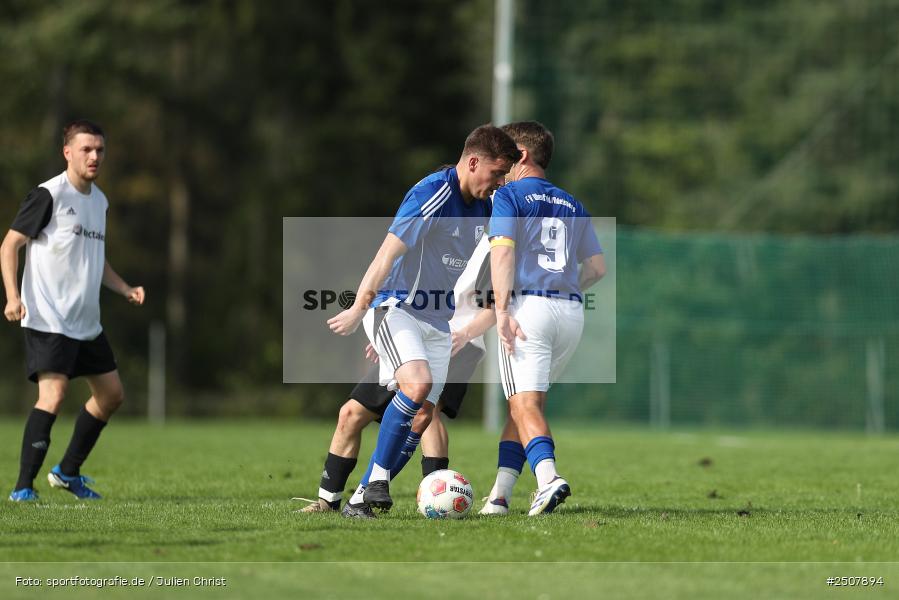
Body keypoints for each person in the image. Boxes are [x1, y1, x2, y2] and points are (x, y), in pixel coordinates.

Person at [328, 125, 519, 514]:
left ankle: (362, 498)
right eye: (497, 173)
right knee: (417, 385)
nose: (500, 182)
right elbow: (386, 255)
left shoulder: (487, 207)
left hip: (437, 322)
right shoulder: (433, 193)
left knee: (422, 418)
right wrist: (360, 309)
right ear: (473, 162)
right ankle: (376, 481)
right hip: (396, 308)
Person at [2, 120, 145, 502]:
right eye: (86, 149)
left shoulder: (100, 201)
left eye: (100, 149)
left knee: (112, 395)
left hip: (86, 322)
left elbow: (97, 261)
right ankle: (22, 489)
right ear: (68, 152)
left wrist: (125, 288)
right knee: (54, 394)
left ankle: (67, 472)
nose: (95, 156)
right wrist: (13, 297)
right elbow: (9, 246)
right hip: (48, 317)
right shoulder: (49, 195)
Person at [482, 120, 605, 516]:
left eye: (505, 155)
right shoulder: (573, 203)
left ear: (522, 156)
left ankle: (549, 479)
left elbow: (501, 253)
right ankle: (499, 497)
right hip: (570, 313)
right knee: (524, 405)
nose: (498, 166)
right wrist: (566, 288)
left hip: (528, 310)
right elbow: (597, 268)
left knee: (524, 405)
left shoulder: (509, 195)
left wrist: (501, 311)